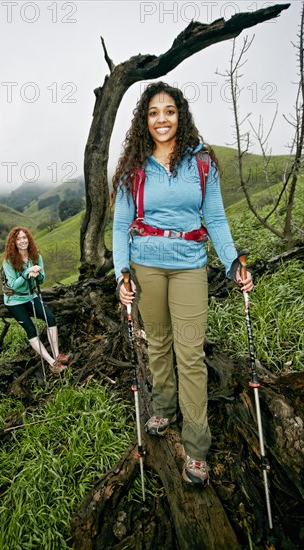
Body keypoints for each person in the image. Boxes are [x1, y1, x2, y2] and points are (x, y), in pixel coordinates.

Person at [112, 81, 254, 488]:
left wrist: (233, 262)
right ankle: (164, 407)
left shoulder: (202, 163)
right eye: (154, 112)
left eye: (169, 111)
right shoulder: (134, 166)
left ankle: (196, 447)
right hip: (146, 265)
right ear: (145, 119)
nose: (162, 119)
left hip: (191, 264)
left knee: (189, 353)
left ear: (181, 115)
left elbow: (218, 219)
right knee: (157, 342)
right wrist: (122, 273)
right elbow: (121, 226)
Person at [2, 226, 70, 374]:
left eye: (24, 238)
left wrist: (38, 274)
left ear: (29, 239)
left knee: (50, 318)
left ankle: (57, 355)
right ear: (13, 242)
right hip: (14, 300)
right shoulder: (8, 261)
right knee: (31, 329)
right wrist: (27, 273)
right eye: (18, 239)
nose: (22, 241)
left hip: (31, 296)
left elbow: (42, 279)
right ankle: (52, 363)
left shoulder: (35, 256)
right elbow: (13, 284)